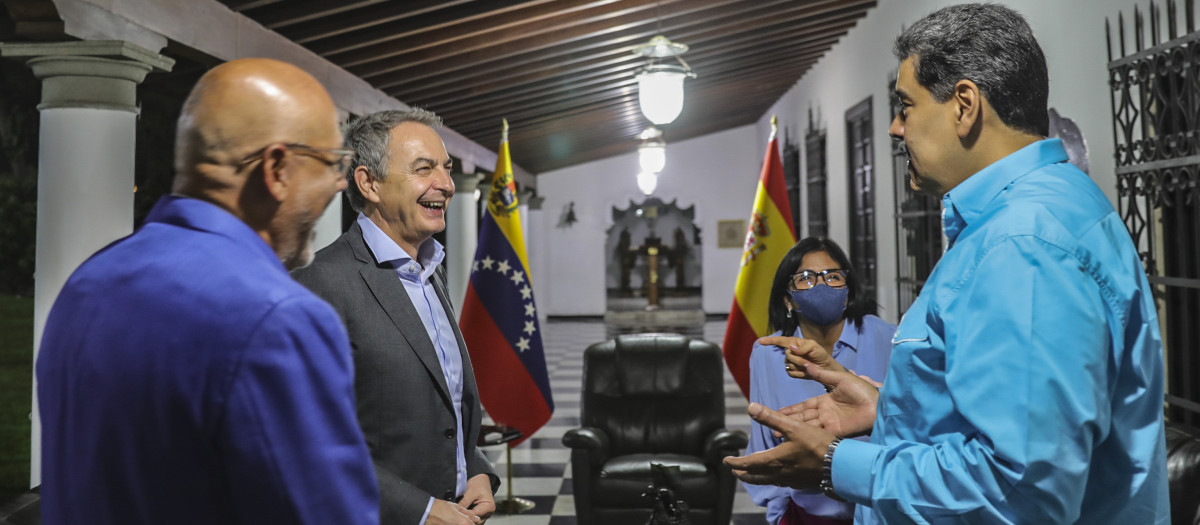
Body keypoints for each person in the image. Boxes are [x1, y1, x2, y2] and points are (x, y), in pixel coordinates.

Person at [725, 4, 1170, 524]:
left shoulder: (1022, 246)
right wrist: (886, 406)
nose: (895, 128)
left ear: (964, 105)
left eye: (905, 105)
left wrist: (834, 464)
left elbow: (1020, 494)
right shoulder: (1044, 209)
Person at [36, 58, 378, 524]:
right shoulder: (277, 318)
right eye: (331, 163)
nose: (340, 182)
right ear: (276, 168)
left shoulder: (88, 283)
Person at [292, 109, 498, 525]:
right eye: (424, 169)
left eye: (446, 168)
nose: (447, 184)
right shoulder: (320, 285)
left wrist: (476, 469)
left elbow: (442, 407)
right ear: (369, 183)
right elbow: (309, 446)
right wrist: (420, 512)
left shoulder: (428, 270)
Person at [743, 237, 893, 525]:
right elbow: (764, 445)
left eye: (833, 276)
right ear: (788, 298)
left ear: (848, 293)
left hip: (880, 507)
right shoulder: (767, 353)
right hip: (805, 514)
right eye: (806, 278)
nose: (821, 285)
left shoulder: (887, 338)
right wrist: (780, 512)